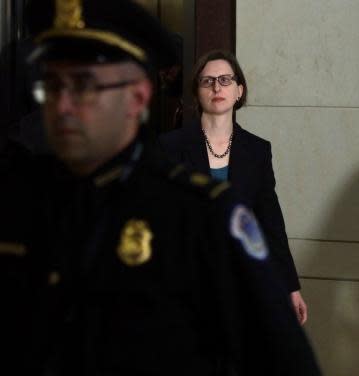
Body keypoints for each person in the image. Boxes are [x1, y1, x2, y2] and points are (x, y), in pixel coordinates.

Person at [21, 0, 321, 375]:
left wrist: (289, 284)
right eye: (52, 84)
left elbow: (270, 222)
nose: (62, 105)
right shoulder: (19, 203)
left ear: (138, 97)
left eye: (84, 85)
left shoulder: (200, 213)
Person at [159, 50, 308, 325]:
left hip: (241, 280)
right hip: (186, 279)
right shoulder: (169, 147)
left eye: (225, 80)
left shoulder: (257, 150)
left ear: (239, 90)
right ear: (197, 92)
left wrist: (290, 286)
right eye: (208, 81)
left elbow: (270, 222)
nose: (217, 87)